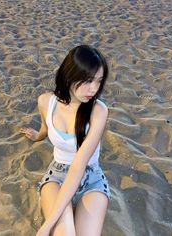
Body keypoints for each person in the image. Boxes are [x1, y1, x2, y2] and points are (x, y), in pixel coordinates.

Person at [20, 45, 111, 236]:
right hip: (58, 175)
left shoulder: (98, 111)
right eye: (87, 80)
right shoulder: (46, 102)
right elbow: (46, 127)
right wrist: (37, 136)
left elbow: (78, 166)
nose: (94, 89)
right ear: (69, 75)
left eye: (98, 81)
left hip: (91, 178)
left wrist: (46, 227)